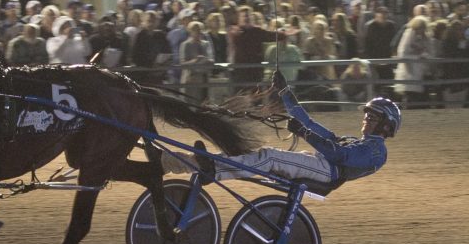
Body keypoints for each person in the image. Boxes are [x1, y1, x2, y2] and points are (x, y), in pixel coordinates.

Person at [162, 71, 401, 189]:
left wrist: (304, 134)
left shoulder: (377, 152)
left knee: (270, 157)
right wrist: (286, 92)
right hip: (319, 163)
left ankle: (211, 170)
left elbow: (339, 156)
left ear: (385, 125)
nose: (366, 118)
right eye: (367, 114)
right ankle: (188, 162)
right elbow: (310, 124)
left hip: (327, 171)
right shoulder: (354, 140)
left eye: (373, 116)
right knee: (264, 156)